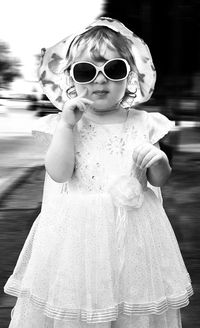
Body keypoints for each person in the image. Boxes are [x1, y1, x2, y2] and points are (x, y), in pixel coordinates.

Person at [4, 17, 193, 328]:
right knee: (78, 307)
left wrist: (158, 160)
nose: (100, 80)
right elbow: (59, 173)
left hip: (135, 237)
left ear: (129, 75)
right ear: (71, 78)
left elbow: (159, 180)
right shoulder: (66, 124)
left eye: (113, 69)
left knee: (132, 307)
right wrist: (67, 125)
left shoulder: (145, 122)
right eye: (86, 71)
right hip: (77, 241)